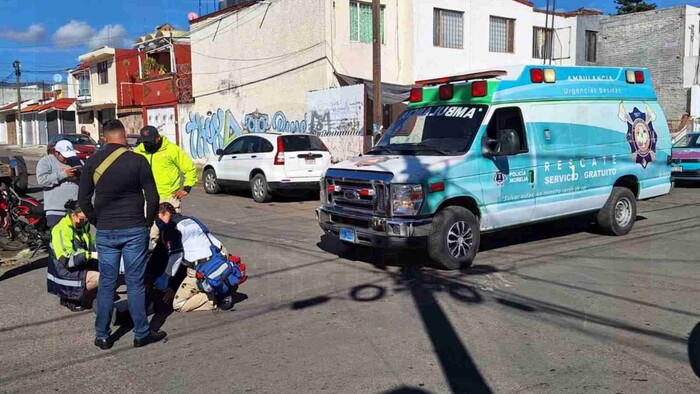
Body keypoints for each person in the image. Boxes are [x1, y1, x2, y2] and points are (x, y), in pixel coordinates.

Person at [78, 119, 164, 350]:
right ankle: (141, 334)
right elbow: (153, 198)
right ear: (124, 136)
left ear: (104, 137)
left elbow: (83, 200)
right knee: (135, 284)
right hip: (135, 229)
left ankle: (103, 336)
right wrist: (146, 224)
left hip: (106, 231)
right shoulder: (138, 160)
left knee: (107, 284)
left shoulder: (92, 162)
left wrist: (98, 221)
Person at [154, 202, 241, 312]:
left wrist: (166, 276)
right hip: (220, 255)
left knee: (178, 304)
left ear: (167, 214)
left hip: (203, 268)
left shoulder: (171, 229)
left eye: (158, 217)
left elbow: (176, 256)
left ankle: (212, 297)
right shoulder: (191, 219)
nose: (157, 221)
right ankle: (223, 284)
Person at [134, 126, 197, 248]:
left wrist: (187, 188)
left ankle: (174, 260)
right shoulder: (139, 151)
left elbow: (189, 168)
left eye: (150, 142)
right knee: (152, 234)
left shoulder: (171, 150)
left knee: (171, 234)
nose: (147, 145)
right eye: (145, 142)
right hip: (147, 199)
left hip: (169, 198)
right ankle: (155, 261)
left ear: (158, 138)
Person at [46, 200, 99, 312]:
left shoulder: (81, 225)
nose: (86, 219)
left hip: (78, 266)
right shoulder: (61, 230)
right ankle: (69, 298)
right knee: (103, 279)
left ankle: (85, 294)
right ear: (73, 215)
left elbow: (91, 242)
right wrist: (91, 254)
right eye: (83, 217)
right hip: (65, 271)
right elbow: (66, 259)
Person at [36, 140, 82, 228]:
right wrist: (64, 175)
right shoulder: (46, 161)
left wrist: (80, 174)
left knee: (78, 238)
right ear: (56, 152)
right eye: (65, 156)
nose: (67, 159)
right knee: (58, 239)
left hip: (75, 209)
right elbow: (42, 180)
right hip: (56, 209)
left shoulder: (75, 160)